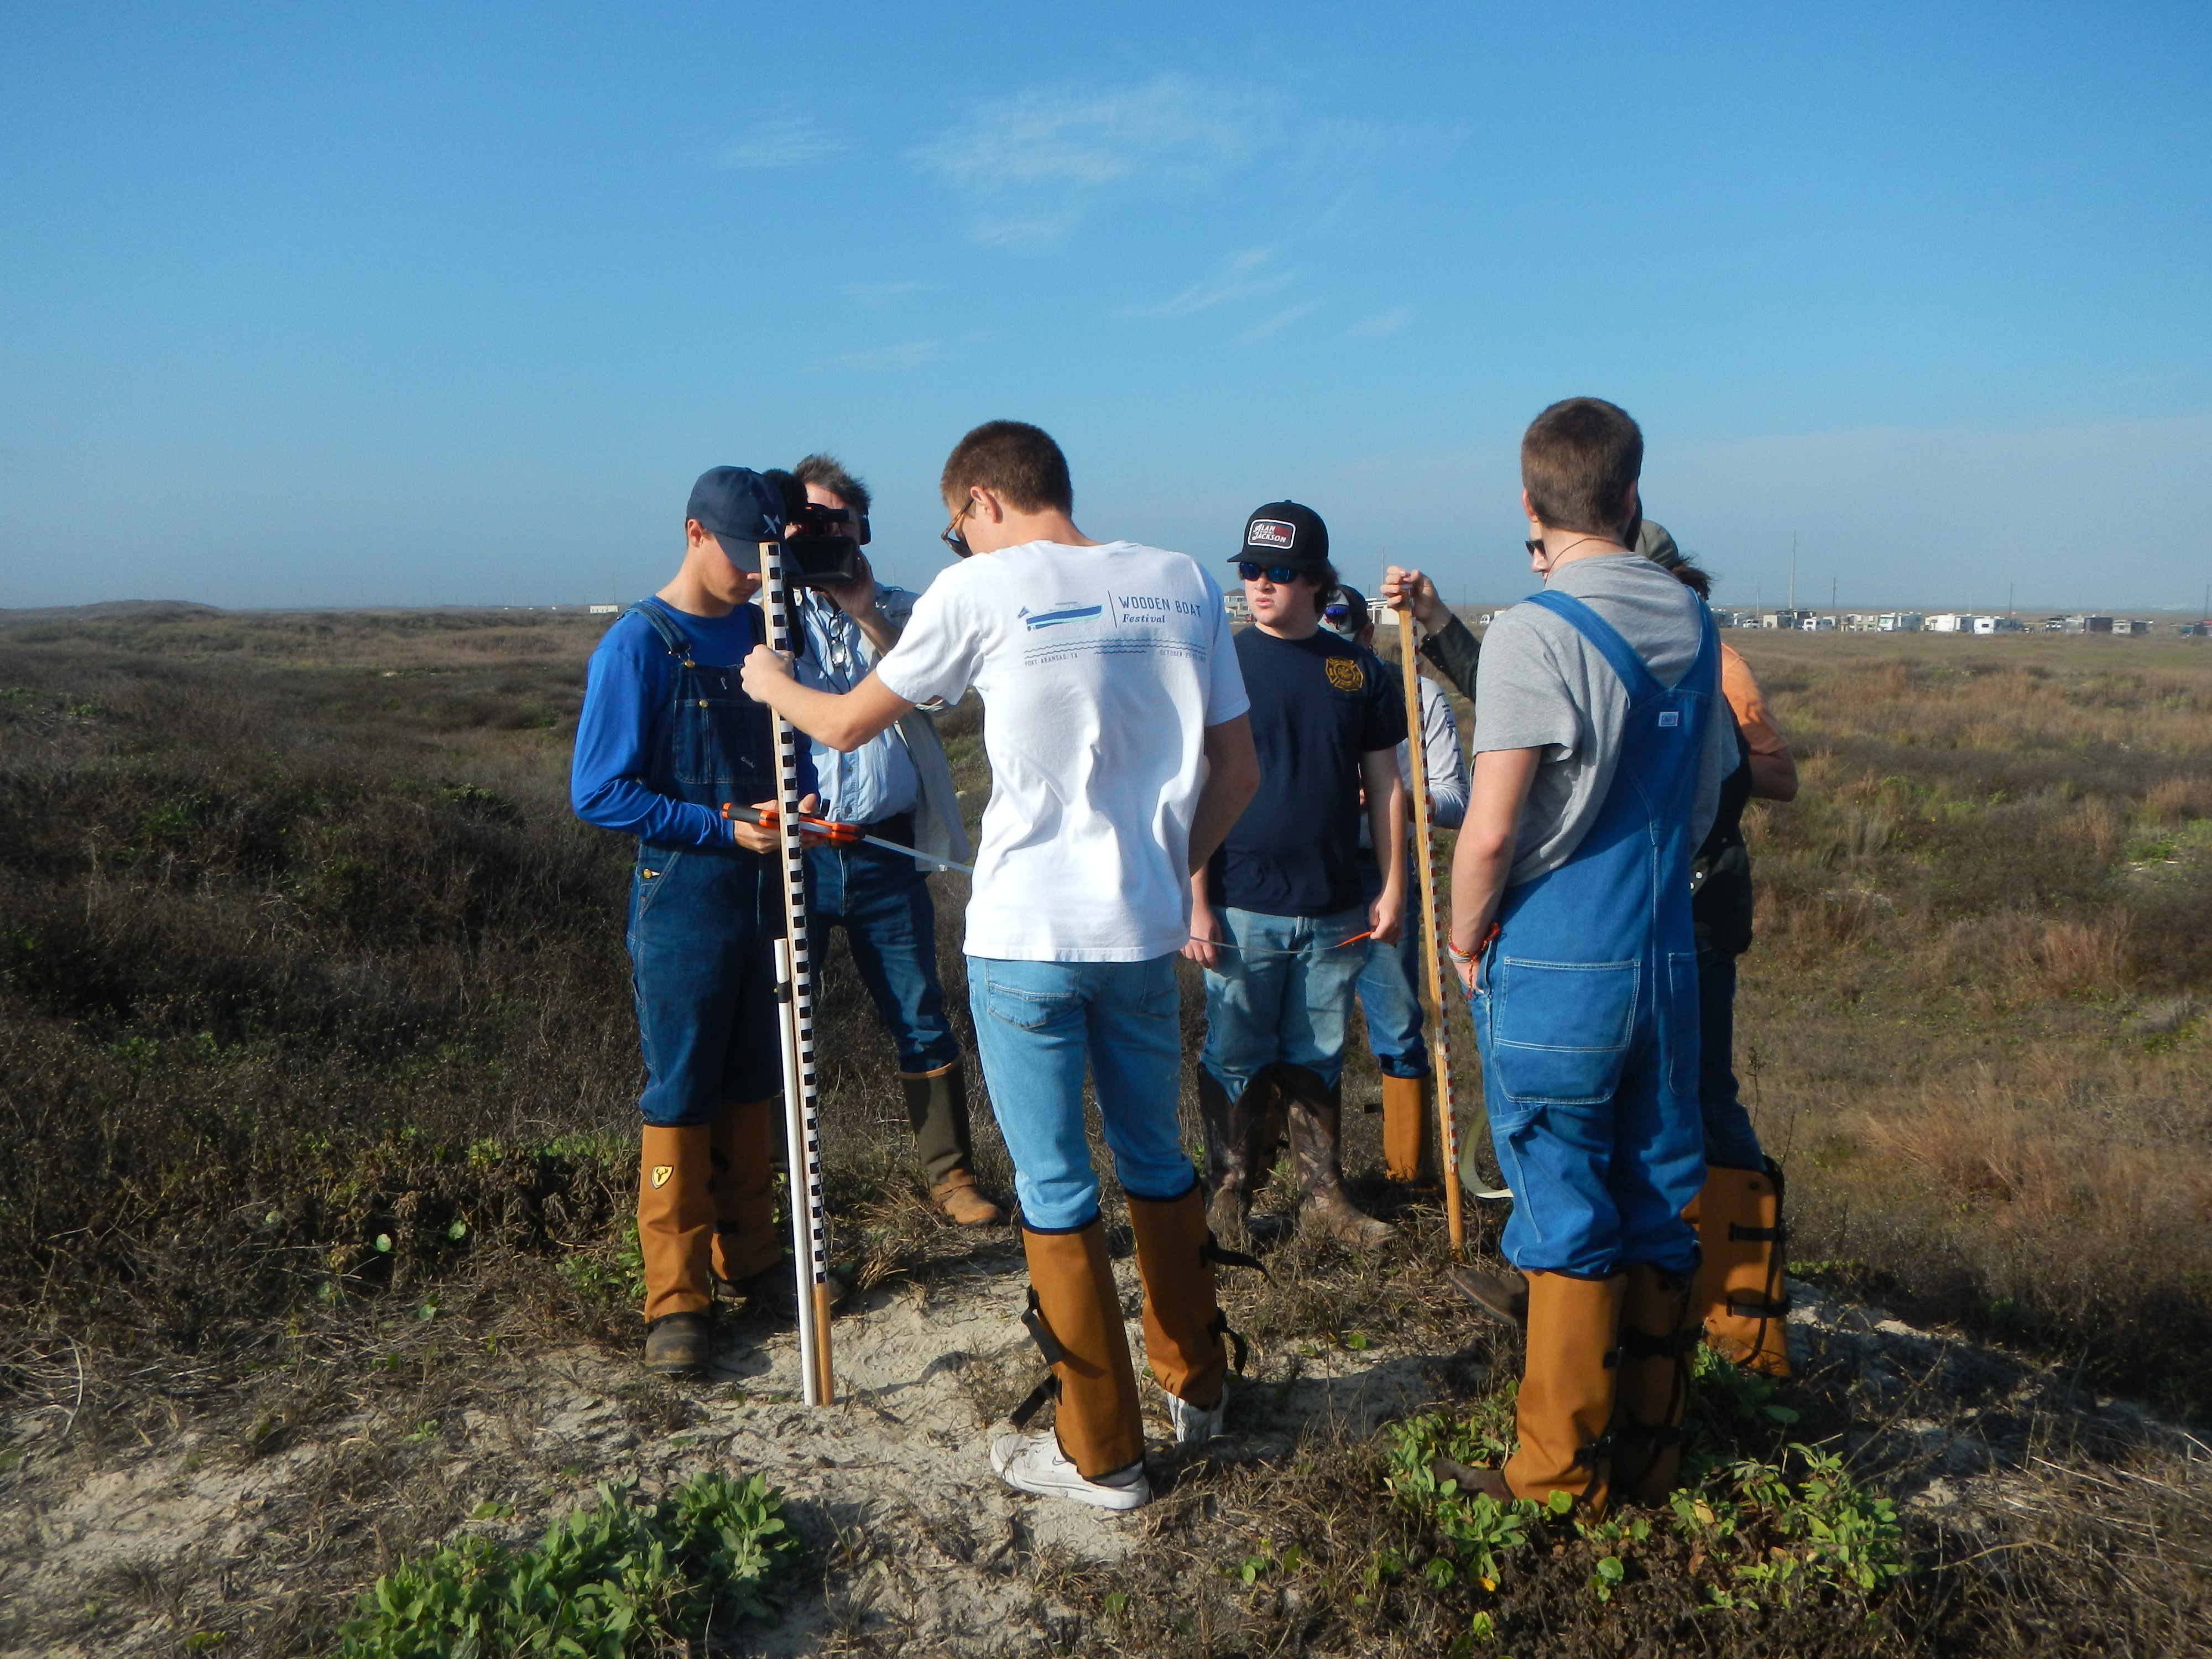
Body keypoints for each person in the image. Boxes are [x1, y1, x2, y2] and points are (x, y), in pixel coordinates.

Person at [742, 420, 1260, 1512]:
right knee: (1156, 1161)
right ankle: (1197, 1384)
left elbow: (842, 726)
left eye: (953, 526)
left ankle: (1100, 1454)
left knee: (1057, 1186)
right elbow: (1237, 767)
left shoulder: (977, 590)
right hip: (1138, 933)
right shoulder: (1178, 582)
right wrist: (1171, 870)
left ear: (980, 501)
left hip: (1025, 934)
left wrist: (768, 677)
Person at [1442, 399, 1735, 1517]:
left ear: (1528, 503)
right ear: (1630, 497)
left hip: (1557, 958)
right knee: (1660, 1202)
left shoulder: (1532, 630)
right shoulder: (1695, 624)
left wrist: (1466, 936)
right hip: (1666, 954)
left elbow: (1491, 826)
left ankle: (1553, 1483)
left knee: (1562, 1207)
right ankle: (1653, 1463)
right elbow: (1704, 800)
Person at [570, 467, 822, 1380]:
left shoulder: (768, 634)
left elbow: (800, 744)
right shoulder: (640, 646)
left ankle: (752, 1257)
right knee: (681, 1091)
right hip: (683, 901)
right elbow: (597, 792)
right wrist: (719, 827)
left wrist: (807, 806)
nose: (759, 575)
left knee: (757, 1076)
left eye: (770, 559)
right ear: (692, 535)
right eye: (742, 557)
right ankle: (675, 1296)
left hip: (770, 898)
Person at [781, 453, 1000, 1228]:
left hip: (884, 850)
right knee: (783, 1019)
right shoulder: (762, 614)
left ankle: (951, 1176)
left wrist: (865, 608)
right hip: (792, 857)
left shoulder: (907, 608)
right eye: (803, 518)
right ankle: (793, 1193)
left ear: (861, 528)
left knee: (918, 1009)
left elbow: (941, 690)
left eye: (834, 520)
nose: (819, 532)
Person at [1186, 507, 1407, 1250]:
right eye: (1249, 570)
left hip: (1335, 903)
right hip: (1240, 903)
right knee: (1236, 1051)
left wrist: (1394, 886)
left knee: (1317, 1051)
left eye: (1278, 572)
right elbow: (1193, 783)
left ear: (1316, 580)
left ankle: (1324, 1203)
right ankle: (1228, 1201)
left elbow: (1387, 787)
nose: (1260, 585)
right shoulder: (1220, 664)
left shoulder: (1358, 671)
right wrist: (1196, 902)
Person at [1639, 525, 1798, 1378]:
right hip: (1651, 912)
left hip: (1699, 910)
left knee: (1704, 1093)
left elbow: (1779, 777)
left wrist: (1711, 760)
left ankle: (1748, 1326)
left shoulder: (1715, 661)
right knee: (1658, 1097)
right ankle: (1677, 1285)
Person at [1324, 586, 1469, 1184]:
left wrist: (1395, 800)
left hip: (1383, 872)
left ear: (1367, 636)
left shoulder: (1419, 695)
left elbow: (1458, 803)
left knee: (1400, 1027)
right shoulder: (1292, 686)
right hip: (1308, 874)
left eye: (1343, 630)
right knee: (1307, 1033)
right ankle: (1316, 1184)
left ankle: (1405, 1180)